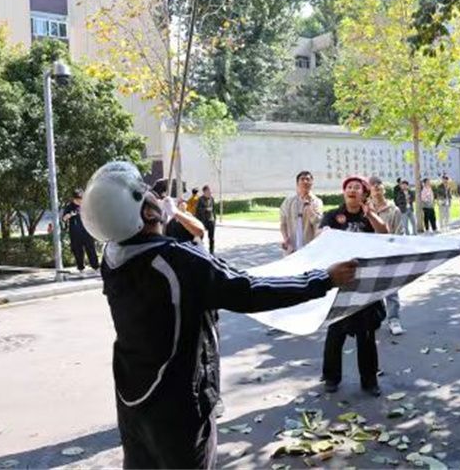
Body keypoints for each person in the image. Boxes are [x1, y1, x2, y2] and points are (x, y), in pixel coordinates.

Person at [79, 161, 356, 469]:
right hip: (181, 402)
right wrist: (324, 279)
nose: (155, 195)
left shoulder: (112, 258)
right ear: (148, 214)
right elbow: (248, 290)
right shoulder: (177, 261)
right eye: (147, 194)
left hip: (133, 396)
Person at [320, 176, 388, 397]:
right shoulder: (332, 215)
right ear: (344, 192)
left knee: (366, 334)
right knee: (335, 332)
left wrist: (371, 214)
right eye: (348, 187)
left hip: (365, 283)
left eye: (357, 188)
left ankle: (370, 381)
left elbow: (385, 234)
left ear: (364, 194)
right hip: (339, 282)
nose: (352, 190)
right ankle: (331, 378)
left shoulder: (370, 216)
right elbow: (321, 238)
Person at [369, 176, 406, 336]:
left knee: (391, 288)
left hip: (388, 254)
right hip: (370, 255)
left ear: (384, 188)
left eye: (379, 184)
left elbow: (400, 233)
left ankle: (394, 319)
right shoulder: (366, 209)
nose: (376, 187)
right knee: (371, 288)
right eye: (373, 185)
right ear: (369, 190)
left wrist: (395, 250)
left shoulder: (393, 210)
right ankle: (375, 318)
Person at [279, 171, 323, 255]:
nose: (305, 182)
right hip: (292, 247)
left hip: (309, 247)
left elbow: (316, 221)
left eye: (308, 179)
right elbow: (283, 223)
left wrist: (308, 205)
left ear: (311, 184)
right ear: (297, 183)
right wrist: (286, 238)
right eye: (302, 179)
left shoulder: (317, 202)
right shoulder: (288, 201)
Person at [62, 189, 99, 273]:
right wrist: (70, 214)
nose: (80, 201)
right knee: (78, 251)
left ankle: (96, 267)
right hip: (75, 233)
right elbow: (64, 219)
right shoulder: (69, 207)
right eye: (78, 200)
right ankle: (81, 268)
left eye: (81, 199)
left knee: (91, 249)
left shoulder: (86, 206)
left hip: (87, 231)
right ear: (73, 199)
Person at [195, 185, 216, 253]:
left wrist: (215, 219)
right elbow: (197, 210)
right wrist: (206, 209)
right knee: (201, 236)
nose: (210, 192)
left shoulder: (212, 199)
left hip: (211, 220)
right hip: (203, 221)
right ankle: (199, 250)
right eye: (208, 191)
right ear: (204, 192)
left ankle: (211, 251)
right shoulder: (200, 199)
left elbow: (213, 209)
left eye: (210, 191)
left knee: (211, 237)